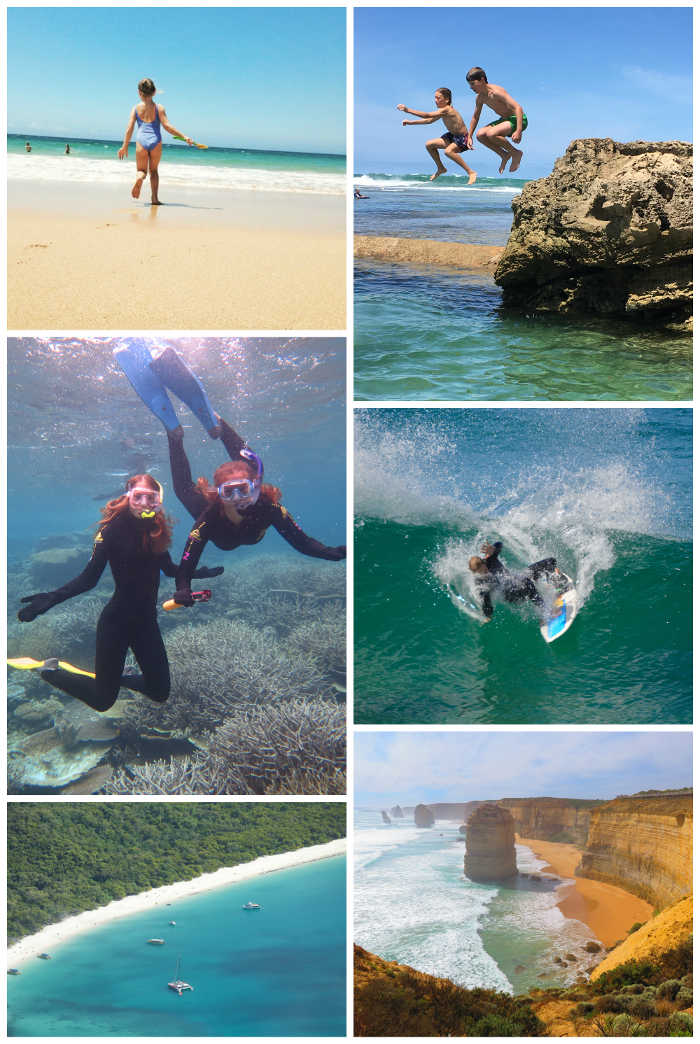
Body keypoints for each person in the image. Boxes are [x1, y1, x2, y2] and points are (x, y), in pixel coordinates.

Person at [113, 343, 346, 608]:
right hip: (221, 525)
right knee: (187, 491)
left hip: (245, 503)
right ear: (219, 494)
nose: (236, 498)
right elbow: (189, 559)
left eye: (242, 491)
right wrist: (183, 588)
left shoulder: (269, 508)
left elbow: (302, 543)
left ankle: (216, 428)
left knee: (252, 466)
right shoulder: (210, 516)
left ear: (253, 490)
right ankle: (181, 434)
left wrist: (337, 553)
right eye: (228, 492)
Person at [15, 474, 223, 712]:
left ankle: (118, 678)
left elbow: (169, 569)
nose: (145, 503)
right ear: (127, 498)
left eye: (151, 498)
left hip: (146, 622)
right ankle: (50, 672)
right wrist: (52, 597)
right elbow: (89, 578)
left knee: (159, 691)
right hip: (116, 622)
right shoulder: (110, 531)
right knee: (103, 701)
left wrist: (197, 573)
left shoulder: (155, 530)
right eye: (138, 497)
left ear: (158, 501)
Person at [117, 77, 194, 204]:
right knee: (154, 171)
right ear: (154, 92)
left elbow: (129, 128)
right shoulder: (159, 108)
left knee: (141, 170)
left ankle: (140, 178)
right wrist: (184, 137)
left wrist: (124, 146)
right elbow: (167, 126)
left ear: (139, 93)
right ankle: (155, 199)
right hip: (156, 142)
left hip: (141, 141)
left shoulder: (136, 108)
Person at [397, 88, 477, 184]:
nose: (435, 100)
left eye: (438, 98)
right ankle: (441, 168)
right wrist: (410, 122)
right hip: (452, 136)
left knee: (448, 152)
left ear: (446, 100)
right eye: (435, 98)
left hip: (463, 138)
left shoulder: (447, 110)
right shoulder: (442, 111)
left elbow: (427, 115)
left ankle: (471, 172)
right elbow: (429, 120)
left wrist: (408, 110)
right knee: (429, 144)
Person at [468, 541, 561, 620]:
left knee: (550, 561)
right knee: (527, 584)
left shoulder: (490, 559)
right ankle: (546, 611)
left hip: (517, 578)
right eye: (480, 573)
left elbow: (500, 544)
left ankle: (558, 584)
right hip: (511, 594)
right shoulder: (480, 581)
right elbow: (485, 598)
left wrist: (493, 548)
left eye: (484, 570)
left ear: (484, 562)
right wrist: (488, 616)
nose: (484, 573)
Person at [465, 67, 527, 174]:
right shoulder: (480, 98)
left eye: (473, 83)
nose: (471, 87)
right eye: (469, 84)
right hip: (504, 120)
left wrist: (519, 130)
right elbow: (475, 117)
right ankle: (504, 155)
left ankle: (516, 153)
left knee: (491, 133)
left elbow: (518, 108)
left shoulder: (496, 92)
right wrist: (469, 136)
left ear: (482, 80)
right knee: (480, 135)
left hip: (517, 119)